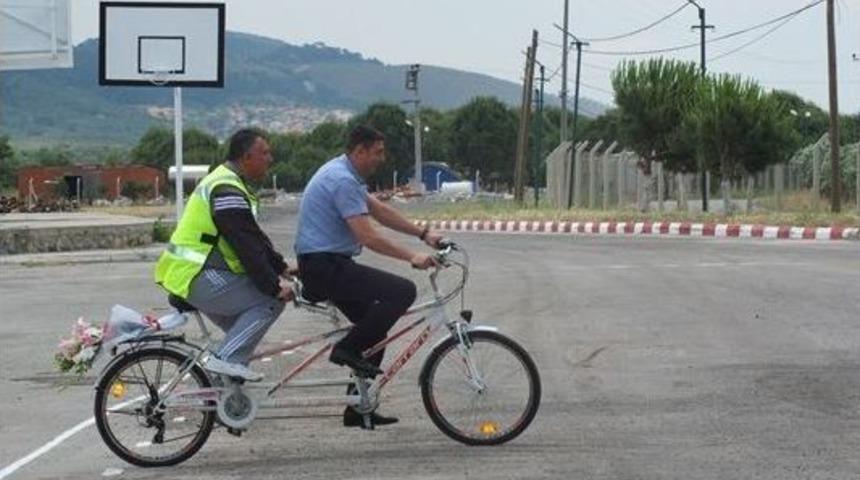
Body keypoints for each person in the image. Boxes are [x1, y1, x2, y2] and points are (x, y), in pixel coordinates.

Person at [295, 124, 442, 427]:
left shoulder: (344, 174)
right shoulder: (341, 180)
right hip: (325, 267)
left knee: (375, 331)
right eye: (377, 152)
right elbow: (368, 237)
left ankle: (357, 408)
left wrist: (423, 234)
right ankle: (346, 349)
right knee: (402, 292)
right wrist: (412, 257)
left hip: (326, 265)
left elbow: (378, 211)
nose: (381, 158)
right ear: (359, 150)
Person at [154, 128, 293, 382]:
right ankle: (221, 362)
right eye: (265, 153)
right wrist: (273, 286)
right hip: (196, 275)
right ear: (246, 157)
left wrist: (281, 267)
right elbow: (244, 243)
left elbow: (253, 236)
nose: (270, 158)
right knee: (269, 302)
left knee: (244, 335)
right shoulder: (226, 188)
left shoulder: (228, 182)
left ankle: (224, 393)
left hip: (196, 274)